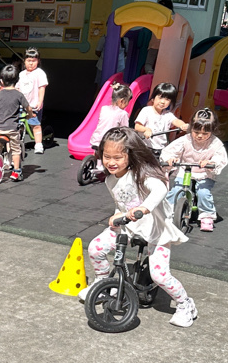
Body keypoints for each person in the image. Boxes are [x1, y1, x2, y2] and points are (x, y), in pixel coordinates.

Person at [78, 127, 197, 327]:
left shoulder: (141, 175)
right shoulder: (110, 180)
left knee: (159, 275)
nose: (111, 162)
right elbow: (122, 202)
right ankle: (103, 282)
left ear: (130, 155)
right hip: (129, 226)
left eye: (118, 157)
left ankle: (185, 304)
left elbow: (159, 189)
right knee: (96, 248)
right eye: (107, 156)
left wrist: (145, 207)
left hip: (155, 229)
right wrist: (117, 214)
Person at [161, 108, 228, 232]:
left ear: (212, 130)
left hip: (204, 172)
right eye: (196, 132)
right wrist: (171, 159)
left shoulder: (215, 143)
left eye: (205, 133)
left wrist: (211, 163)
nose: (199, 136)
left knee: (203, 192)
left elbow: (220, 158)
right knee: (176, 190)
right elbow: (169, 151)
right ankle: (167, 213)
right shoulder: (185, 139)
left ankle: (207, 216)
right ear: (191, 128)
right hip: (185, 170)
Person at [0, 64, 33, 181]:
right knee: (16, 149)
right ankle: (16, 171)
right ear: (17, 81)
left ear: (1, 81)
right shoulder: (19, 95)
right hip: (11, 129)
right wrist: (29, 115)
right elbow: (28, 108)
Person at [134, 82, 188, 152]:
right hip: (145, 147)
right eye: (160, 97)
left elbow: (176, 121)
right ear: (153, 98)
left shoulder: (168, 114)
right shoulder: (146, 110)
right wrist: (146, 129)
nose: (163, 102)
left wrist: (183, 125)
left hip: (161, 148)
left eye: (167, 99)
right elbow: (137, 126)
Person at [15, 47, 49, 154]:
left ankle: (38, 144)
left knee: (35, 125)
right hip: (21, 105)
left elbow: (42, 88)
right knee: (18, 124)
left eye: (34, 61)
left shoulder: (40, 73)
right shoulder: (21, 74)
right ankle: (16, 143)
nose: (31, 63)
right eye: (29, 60)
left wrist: (40, 101)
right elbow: (18, 88)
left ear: (38, 61)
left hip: (33, 104)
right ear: (24, 61)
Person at [89, 82, 133, 149]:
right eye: (127, 101)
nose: (127, 104)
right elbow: (125, 130)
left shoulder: (104, 108)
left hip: (95, 140)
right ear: (122, 101)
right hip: (108, 143)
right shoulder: (123, 114)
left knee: (98, 153)